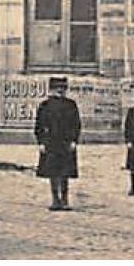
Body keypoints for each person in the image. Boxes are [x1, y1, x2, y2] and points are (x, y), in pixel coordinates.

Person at [35, 75, 81, 211]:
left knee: (65, 172)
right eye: (57, 88)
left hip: (66, 142)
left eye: (62, 88)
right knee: (52, 172)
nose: (60, 91)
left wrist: (74, 140)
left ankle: (65, 199)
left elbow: (76, 124)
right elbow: (39, 126)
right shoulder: (45, 106)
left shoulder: (71, 105)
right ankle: (55, 199)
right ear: (51, 90)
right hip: (51, 142)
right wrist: (41, 142)